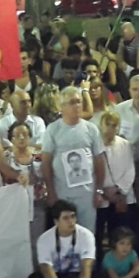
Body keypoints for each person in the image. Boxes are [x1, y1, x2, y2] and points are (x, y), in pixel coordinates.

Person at [41, 86, 105, 232]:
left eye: (79, 102)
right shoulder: (53, 129)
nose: (77, 106)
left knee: (88, 234)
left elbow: (99, 161)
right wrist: (51, 192)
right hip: (62, 193)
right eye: (72, 102)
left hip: (86, 194)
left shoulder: (91, 129)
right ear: (62, 106)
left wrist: (99, 190)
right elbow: (46, 163)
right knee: (65, 235)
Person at [27, 200, 104, 278]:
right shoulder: (44, 239)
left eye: (73, 217)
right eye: (66, 218)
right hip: (56, 277)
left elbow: (86, 267)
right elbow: (46, 270)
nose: (71, 221)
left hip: (77, 277)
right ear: (56, 221)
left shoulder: (86, 235)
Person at [4, 122, 46, 268]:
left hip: (37, 205)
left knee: (36, 242)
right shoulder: (5, 159)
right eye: (17, 135)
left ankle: (36, 275)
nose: (21, 138)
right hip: (13, 207)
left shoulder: (39, 156)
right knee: (15, 242)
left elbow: (48, 176)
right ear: (11, 138)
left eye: (25, 135)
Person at [96, 112, 137, 254]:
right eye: (107, 124)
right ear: (101, 125)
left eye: (114, 125)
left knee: (119, 235)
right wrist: (102, 191)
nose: (110, 128)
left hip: (120, 197)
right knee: (97, 235)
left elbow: (130, 170)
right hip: (100, 197)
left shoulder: (125, 145)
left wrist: (117, 189)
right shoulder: (93, 145)